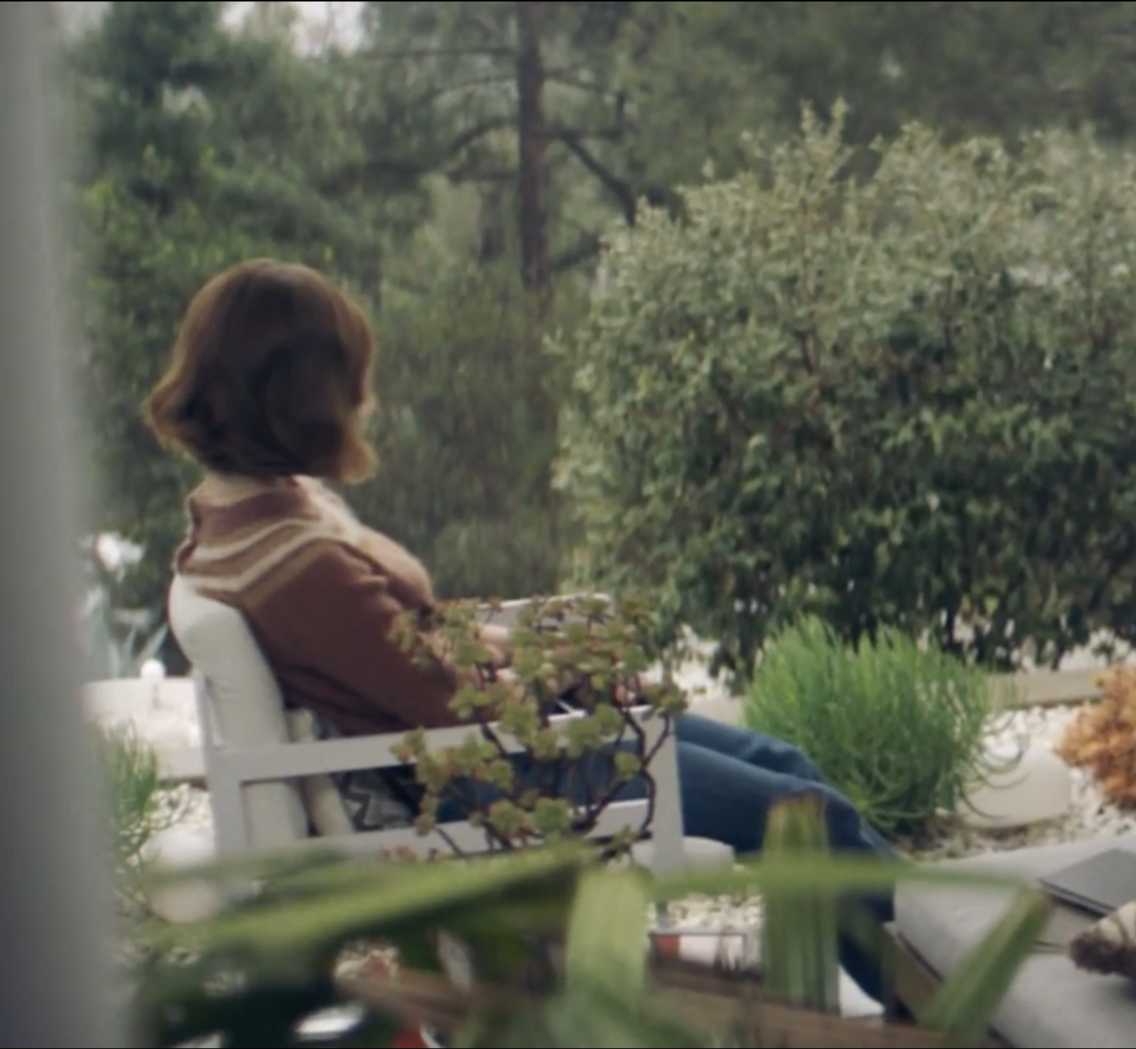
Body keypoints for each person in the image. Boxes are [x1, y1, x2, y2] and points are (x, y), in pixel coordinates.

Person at [148, 258, 899, 998]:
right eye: (351, 383)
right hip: (492, 771)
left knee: (787, 760)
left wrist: (553, 660)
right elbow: (444, 703)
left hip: (492, 743)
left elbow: (409, 647)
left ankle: (916, 955)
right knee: (812, 818)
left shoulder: (246, 515)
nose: (365, 403)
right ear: (303, 399)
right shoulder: (297, 568)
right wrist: (566, 680)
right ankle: (934, 1002)